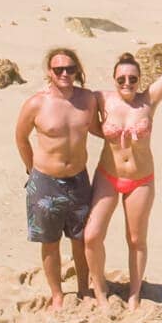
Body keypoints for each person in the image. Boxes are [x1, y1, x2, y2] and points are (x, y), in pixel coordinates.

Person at [84, 25, 162, 308]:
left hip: (141, 180)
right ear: (114, 79)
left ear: (140, 80)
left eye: (132, 78)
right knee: (92, 235)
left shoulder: (148, 101)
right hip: (108, 175)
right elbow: (73, 99)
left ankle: (134, 292)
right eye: (122, 78)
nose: (127, 82)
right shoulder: (102, 99)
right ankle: (100, 290)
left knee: (136, 238)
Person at [13, 46, 100, 308]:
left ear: (77, 71)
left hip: (78, 180)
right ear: (49, 72)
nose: (64, 73)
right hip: (45, 181)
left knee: (81, 239)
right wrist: (31, 170)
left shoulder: (87, 100)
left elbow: (99, 129)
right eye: (58, 69)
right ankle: (58, 295)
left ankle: (84, 289)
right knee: (50, 241)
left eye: (69, 69)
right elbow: (20, 137)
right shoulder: (36, 103)